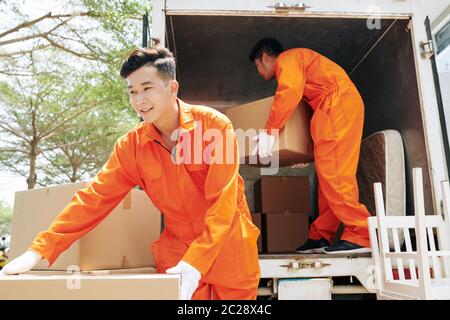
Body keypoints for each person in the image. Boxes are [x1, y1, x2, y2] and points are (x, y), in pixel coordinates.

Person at [1, 46, 261, 300]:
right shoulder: (132, 147)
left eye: (147, 88)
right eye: (133, 92)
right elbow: (94, 199)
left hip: (229, 249)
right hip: (178, 253)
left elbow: (223, 202)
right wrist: (39, 250)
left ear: (172, 88)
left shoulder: (214, 126)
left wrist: (197, 261)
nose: (139, 100)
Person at [249, 38, 371, 254]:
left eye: (257, 66)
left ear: (266, 58)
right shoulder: (301, 63)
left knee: (335, 175)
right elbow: (302, 113)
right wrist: (306, 154)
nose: (258, 72)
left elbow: (289, 93)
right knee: (327, 178)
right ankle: (321, 235)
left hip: (337, 106)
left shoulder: (288, 60)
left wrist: (270, 132)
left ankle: (362, 233)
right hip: (333, 109)